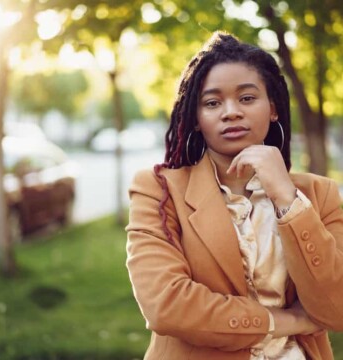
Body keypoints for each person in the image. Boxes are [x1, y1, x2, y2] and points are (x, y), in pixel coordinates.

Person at [125, 31, 343, 360]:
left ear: (273, 108)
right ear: (196, 119)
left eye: (246, 98)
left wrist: (286, 198)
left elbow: (336, 308)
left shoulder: (320, 194)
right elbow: (166, 306)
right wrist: (289, 320)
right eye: (212, 103)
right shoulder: (158, 190)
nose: (231, 112)